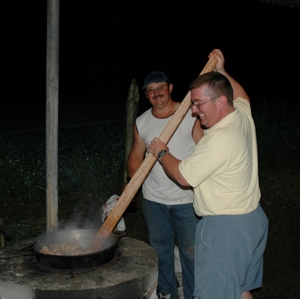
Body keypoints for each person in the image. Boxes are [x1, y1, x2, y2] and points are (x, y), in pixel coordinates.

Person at [148, 49, 269, 299]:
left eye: (198, 103)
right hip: (252, 221)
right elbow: (243, 95)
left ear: (221, 102)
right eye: (192, 103)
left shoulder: (220, 139)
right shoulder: (241, 117)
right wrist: (221, 71)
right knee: (238, 288)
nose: (193, 110)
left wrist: (161, 152)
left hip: (224, 230)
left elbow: (183, 176)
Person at [127, 71, 202, 299]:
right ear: (146, 95)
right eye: (150, 89)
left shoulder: (190, 114)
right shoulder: (142, 122)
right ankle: (167, 291)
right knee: (160, 251)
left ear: (170, 88)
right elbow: (135, 155)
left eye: (161, 87)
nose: (156, 93)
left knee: (191, 253)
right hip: (154, 201)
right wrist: (133, 184)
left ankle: (192, 295)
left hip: (186, 200)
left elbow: (205, 151)